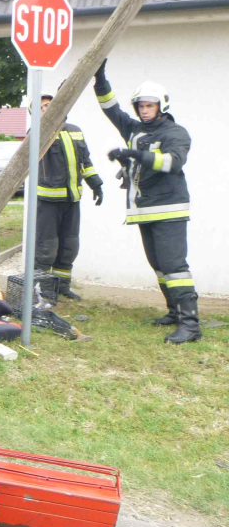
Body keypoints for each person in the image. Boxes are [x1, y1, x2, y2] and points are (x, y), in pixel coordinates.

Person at [94, 59, 200, 343]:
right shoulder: (134, 129)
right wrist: (100, 80)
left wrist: (136, 156)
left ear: (161, 105)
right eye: (140, 105)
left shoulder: (175, 133)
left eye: (149, 105)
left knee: (174, 266)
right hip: (144, 210)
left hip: (169, 209)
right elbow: (111, 109)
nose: (144, 110)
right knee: (159, 265)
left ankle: (191, 325)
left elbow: (173, 162)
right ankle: (175, 313)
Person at [33, 87, 104, 300]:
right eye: (43, 107)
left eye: (50, 105)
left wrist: (96, 184)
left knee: (69, 245)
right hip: (48, 202)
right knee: (47, 247)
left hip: (72, 199)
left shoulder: (75, 130)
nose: (48, 109)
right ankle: (43, 290)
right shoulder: (36, 134)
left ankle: (62, 287)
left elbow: (86, 162)